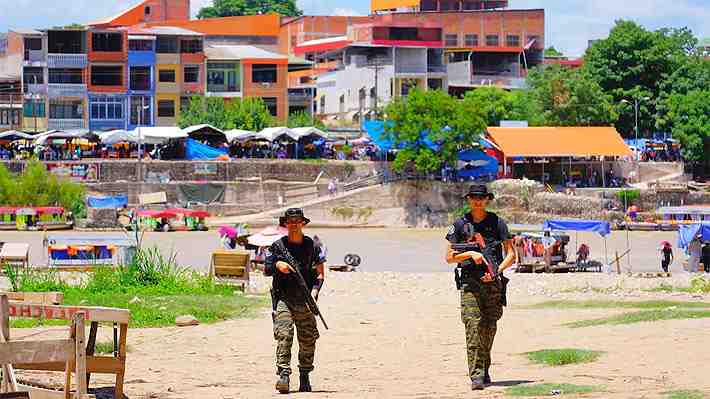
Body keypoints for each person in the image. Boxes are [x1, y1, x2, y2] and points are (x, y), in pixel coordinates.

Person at [445, 184, 515, 390]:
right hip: (470, 284)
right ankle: (476, 376)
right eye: (474, 197)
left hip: (493, 284)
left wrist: (496, 271)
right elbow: (449, 257)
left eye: (481, 197)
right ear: (468, 199)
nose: (477, 200)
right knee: (473, 327)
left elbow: (511, 255)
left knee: (489, 328)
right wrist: (470, 254)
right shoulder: (459, 225)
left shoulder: (497, 223)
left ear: (487, 200)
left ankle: (484, 369)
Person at [264, 208, 326, 394]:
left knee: (308, 339)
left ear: (302, 223)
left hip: (306, 299)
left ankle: (305, 375)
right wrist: (277, 264)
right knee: (284, 334)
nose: (293, 225)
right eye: (290, 222)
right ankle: (283, 375)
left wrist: (315, 292)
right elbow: (266, 269)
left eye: (297, 221)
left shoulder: (312, 246)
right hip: (284, 298)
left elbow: (320, 274)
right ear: (285, 224)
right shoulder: (277, 246)